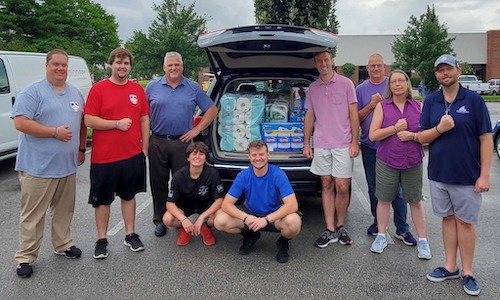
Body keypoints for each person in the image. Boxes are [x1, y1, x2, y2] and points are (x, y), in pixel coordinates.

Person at [419, 55, 492, 296]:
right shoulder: (431, 101)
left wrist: (484, 175)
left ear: (458, 71)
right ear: (436, 75)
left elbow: (485, 138)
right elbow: (422, 137)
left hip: (467, 176)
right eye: (439, 70)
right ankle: (450, 266)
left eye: (448, 68)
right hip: (439, 174)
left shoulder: (473, 101)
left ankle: (468, 271)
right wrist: (440, 128)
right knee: (447, 220)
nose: (444, 73)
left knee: (465, 223)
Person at [11, 49, 87, 278]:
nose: (60, 69)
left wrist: (82, 149)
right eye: (56, 64)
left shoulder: (75, 93)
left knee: (64, 210)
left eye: (64, 65)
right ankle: (25, 256)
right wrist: (53, 132)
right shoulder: (33, 92)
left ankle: (63, 244)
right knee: (33, 215)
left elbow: (82, 124)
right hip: (38, 167)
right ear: (46, 66)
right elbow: (21, 123)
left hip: (66, 166)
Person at [84, 48, 150, 259]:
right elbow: (89, 120)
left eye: (126, 63)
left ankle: (130, 234)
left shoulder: (137, 89)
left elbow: (144, 118)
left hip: (131, 155)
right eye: (118, 62)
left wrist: (145, 147)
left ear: (130, 66)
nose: (122, 67)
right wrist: (116, 124)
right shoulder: (98, 89)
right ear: (110, 64)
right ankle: (102, 239)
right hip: (104, 157)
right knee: (102, 200)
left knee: (129, 196)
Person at [146, 51, 217, 237]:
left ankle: (181, 219)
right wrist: (144, 141)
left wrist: (197, 129)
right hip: (158, 141)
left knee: (183, 183)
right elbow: (142, 116)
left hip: (182, 143)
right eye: (170, 65)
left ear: (182, 66)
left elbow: (211, 109)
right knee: (159, 183)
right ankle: (160, 219)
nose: (173, 68)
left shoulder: (192, 88)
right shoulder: (152, 87)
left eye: (176, 64)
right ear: (164, 67)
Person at [368, 70, 431, 259]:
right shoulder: (382, 107)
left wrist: (412, 136)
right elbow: (373, 135)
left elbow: (428, 136)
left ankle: (423, 241)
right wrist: (395, 128)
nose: (397, 84)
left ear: (407, 83)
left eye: (401, 81)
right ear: (390, 86)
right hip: (387, 160)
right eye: (393, 81)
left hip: (412, 160)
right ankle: (381, 236)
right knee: (384, 199)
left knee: (415, 201)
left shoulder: (418, 106)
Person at [356, 53, 417, 246]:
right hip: (370, 146)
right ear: (367, 68)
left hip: (394, 147)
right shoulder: (361, 89)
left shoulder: (393, 84)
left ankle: (402, 228)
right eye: (372, 65)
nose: (376, 69)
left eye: (379, 65)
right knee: (375, 188)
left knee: (398, 191)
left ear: (385, 67)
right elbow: (355, 117)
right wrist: (371, 105)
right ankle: (377, 223)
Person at [303, 50, 359, 248]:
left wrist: (355, 142)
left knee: (342, 187)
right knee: (326, 184)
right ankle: (329, 229)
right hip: (321, 144)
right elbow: (309, 116)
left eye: (326, 60)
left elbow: (354, 114)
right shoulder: (313, 88)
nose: (323, 64)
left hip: (343, 143)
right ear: (316, 64)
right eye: (319, 61)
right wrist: (306, 143)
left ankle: (341, 225)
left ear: (332, 61)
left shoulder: (346, 84)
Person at [214, 140, 302, 263]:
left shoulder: (278, 174)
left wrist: (266, 220)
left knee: (294, 222)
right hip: (250, 214)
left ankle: (283, 242)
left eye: (261, 154)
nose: (258, 158)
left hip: (273, 215)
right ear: (249, 157)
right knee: (220, 220)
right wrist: (246, 218)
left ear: (268, 155)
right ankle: (250, 235)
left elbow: (293, 205)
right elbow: (226, 204)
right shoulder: (243, 176)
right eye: (254, 155)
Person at [162, 142, 225, 246]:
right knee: (167, 219)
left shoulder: (212, 173)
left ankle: (206, 227)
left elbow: (219, 200)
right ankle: (185, 229)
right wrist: (183, 219)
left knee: (220, 217)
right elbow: (170, 203)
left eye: (201, 154)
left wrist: (202, 217)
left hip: (205, 204)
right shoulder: (178, 176)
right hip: (185, 206)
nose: (197, 157)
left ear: (205, 158)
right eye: (194, 154)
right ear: (188, 158)